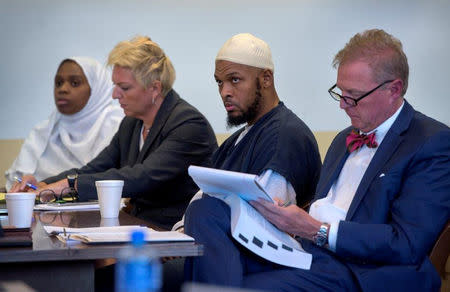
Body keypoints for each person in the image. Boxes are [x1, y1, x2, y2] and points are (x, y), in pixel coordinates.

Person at [184, 29, 450, 291]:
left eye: (353, 96)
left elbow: (407, 242)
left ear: (394, 89)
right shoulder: (343, 139)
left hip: (358, 269)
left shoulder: (431, 141)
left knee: (221, 279)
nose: (343, 105)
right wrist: (282, 217)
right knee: (205, 210)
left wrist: (317, 230)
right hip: (304, 253)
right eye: (340, 92)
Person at [11, 36, 217, 230]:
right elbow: (96, 167)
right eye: (114, 85)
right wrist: (45, 184)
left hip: (177, 236)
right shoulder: (132, 124)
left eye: (124, 87)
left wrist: (69, 185)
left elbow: (141, 177)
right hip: (139, 228)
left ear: (154, 88)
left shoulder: (188, 125)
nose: (114, 94)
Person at [179, 32, 321, 285]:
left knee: (205, 211)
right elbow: (201, 196)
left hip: (269, 256)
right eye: (219, 83)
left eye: (235, 80)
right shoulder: (238, 138)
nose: (225, 92)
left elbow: (265, 216)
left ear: (266, 79)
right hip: (224, 250)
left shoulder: (286, 135)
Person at [5, 57, 124, 191]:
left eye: (74, 83)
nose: (63, 89)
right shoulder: (43, 132)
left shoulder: (119, 125)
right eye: (59, 83)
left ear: (96, 88)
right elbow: (16, 183)